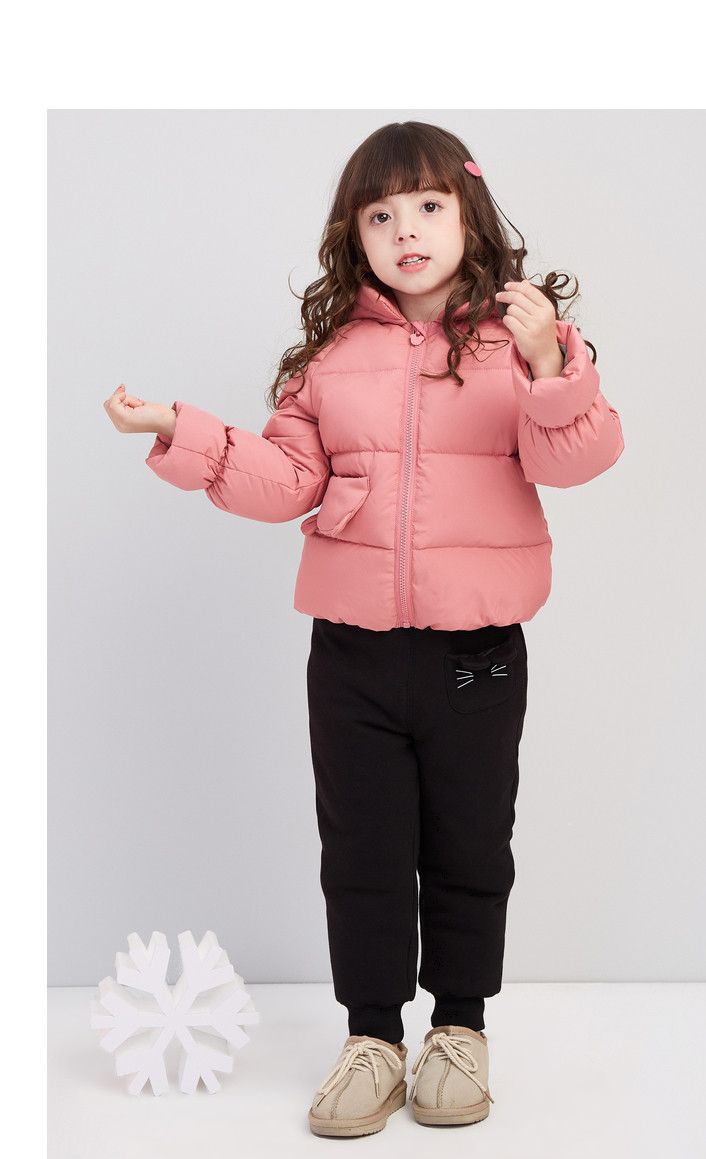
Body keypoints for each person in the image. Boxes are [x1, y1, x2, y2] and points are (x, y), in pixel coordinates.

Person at [104, 120, 624, 1137]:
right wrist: (180, 429)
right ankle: (373, 1040)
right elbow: (284, 479)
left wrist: (550, 359)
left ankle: (460, 1031)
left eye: (428, 205)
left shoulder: (524, 345)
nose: (406, 230)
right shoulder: (333, 357)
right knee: (362, 850)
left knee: (470, 843)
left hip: (477, 654)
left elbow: (577, 459)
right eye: (380, 215)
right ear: (356, 236)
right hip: (352, 655)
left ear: (469, 215)